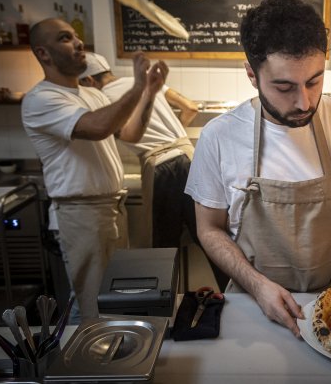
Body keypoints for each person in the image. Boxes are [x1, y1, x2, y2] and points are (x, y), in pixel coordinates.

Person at [184, 0, 331, 337]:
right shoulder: (218, 137)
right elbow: (210, 229)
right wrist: (257, 286)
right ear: (251, 75)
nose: (304, 101)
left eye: (314, 81)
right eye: (284, 86)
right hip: (250, 308)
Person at [21, 18, 167, 321]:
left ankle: (108, 359)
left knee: (109, 298)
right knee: (91, 304)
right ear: (43, 53)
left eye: (76, 36)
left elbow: (130, 134)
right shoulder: (41, 99)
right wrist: (137, 85)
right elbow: (98, 127)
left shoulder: (92, 95)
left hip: (110, 210)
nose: (78, 43)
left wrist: (149, 93)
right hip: (81, 214)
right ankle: (87, 365)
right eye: (65, 38)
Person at [78, 53, 229, 290]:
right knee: (213, 239)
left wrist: (158, 142)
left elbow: (129, 134)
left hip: (161, 167)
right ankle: (238, 298)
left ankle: (163, 315)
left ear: (88, 81)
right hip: (190, 157)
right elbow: (190, 107)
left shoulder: (104, 99)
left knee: (162, 251)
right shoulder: (141, 81)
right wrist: (170, 135)